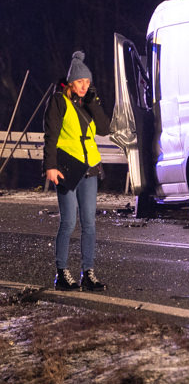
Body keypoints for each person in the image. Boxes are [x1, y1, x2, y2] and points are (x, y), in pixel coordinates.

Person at [43, 51, 110, 291]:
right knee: (69, 222)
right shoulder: (58, 101)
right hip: (67, 169)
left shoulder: (89, 102)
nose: (85, 86)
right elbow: (51, 136)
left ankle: (88, 273)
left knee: (89, 223)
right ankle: (62, 273)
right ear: (72, 81)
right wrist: (49, 166)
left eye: (88, 82)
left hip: (89, 168)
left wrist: (92, 102)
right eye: (81, 82)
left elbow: (104, 128)